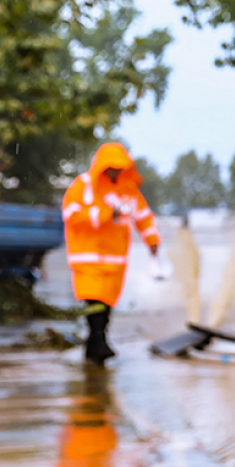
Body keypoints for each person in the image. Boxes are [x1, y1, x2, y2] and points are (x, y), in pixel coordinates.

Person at [61, 143, 160, 365]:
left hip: (115, 259)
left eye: (119, 168)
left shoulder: (128, 190)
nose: (115, 172)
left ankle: (97, 342)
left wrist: (152, 241)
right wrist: (106, 213)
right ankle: (97, 342)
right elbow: (71, 214)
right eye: (111, 168)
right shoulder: (84, 185)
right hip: (88, 257)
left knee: (106, 303)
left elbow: (144, 217)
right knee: (94, 300)